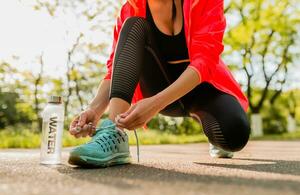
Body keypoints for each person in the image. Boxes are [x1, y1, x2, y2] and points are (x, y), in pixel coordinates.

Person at [68, 0, 250, 167]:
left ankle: (207, 124)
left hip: (202, 90)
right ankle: (115, 134)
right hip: (157, 87)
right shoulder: (130, 10)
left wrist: (155, 104)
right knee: (133, 24)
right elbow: (114, 70)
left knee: (235, 133)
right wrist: (94, 109)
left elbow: (206, 60)